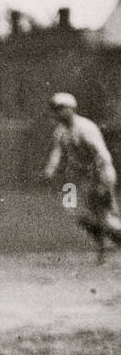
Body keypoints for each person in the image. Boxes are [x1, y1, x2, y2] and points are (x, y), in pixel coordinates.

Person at [43, 91, 121, 262]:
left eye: (60, 108)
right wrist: (49, 171)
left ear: (71, 109)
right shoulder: (61, 131)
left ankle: (102, 253)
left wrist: (102, 180)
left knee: (103, 215)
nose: (56, 113)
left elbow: (102, 154)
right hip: (89, 176)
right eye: (55, 109)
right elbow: (57, 152)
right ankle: (106, 248)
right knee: (87, 215)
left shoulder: (85, 128)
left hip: (102, 173)